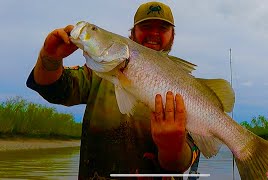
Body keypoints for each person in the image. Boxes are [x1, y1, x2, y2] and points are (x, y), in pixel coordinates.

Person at [26, 1, 199, 179]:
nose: (154, 33)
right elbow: (54, 89)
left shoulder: (189, 88)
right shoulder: (98, 72)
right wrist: (49, 57)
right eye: (146, 26)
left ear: (172, 35)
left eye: (162, 28)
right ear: (132, 33)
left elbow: (186, 160)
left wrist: (172, 147)